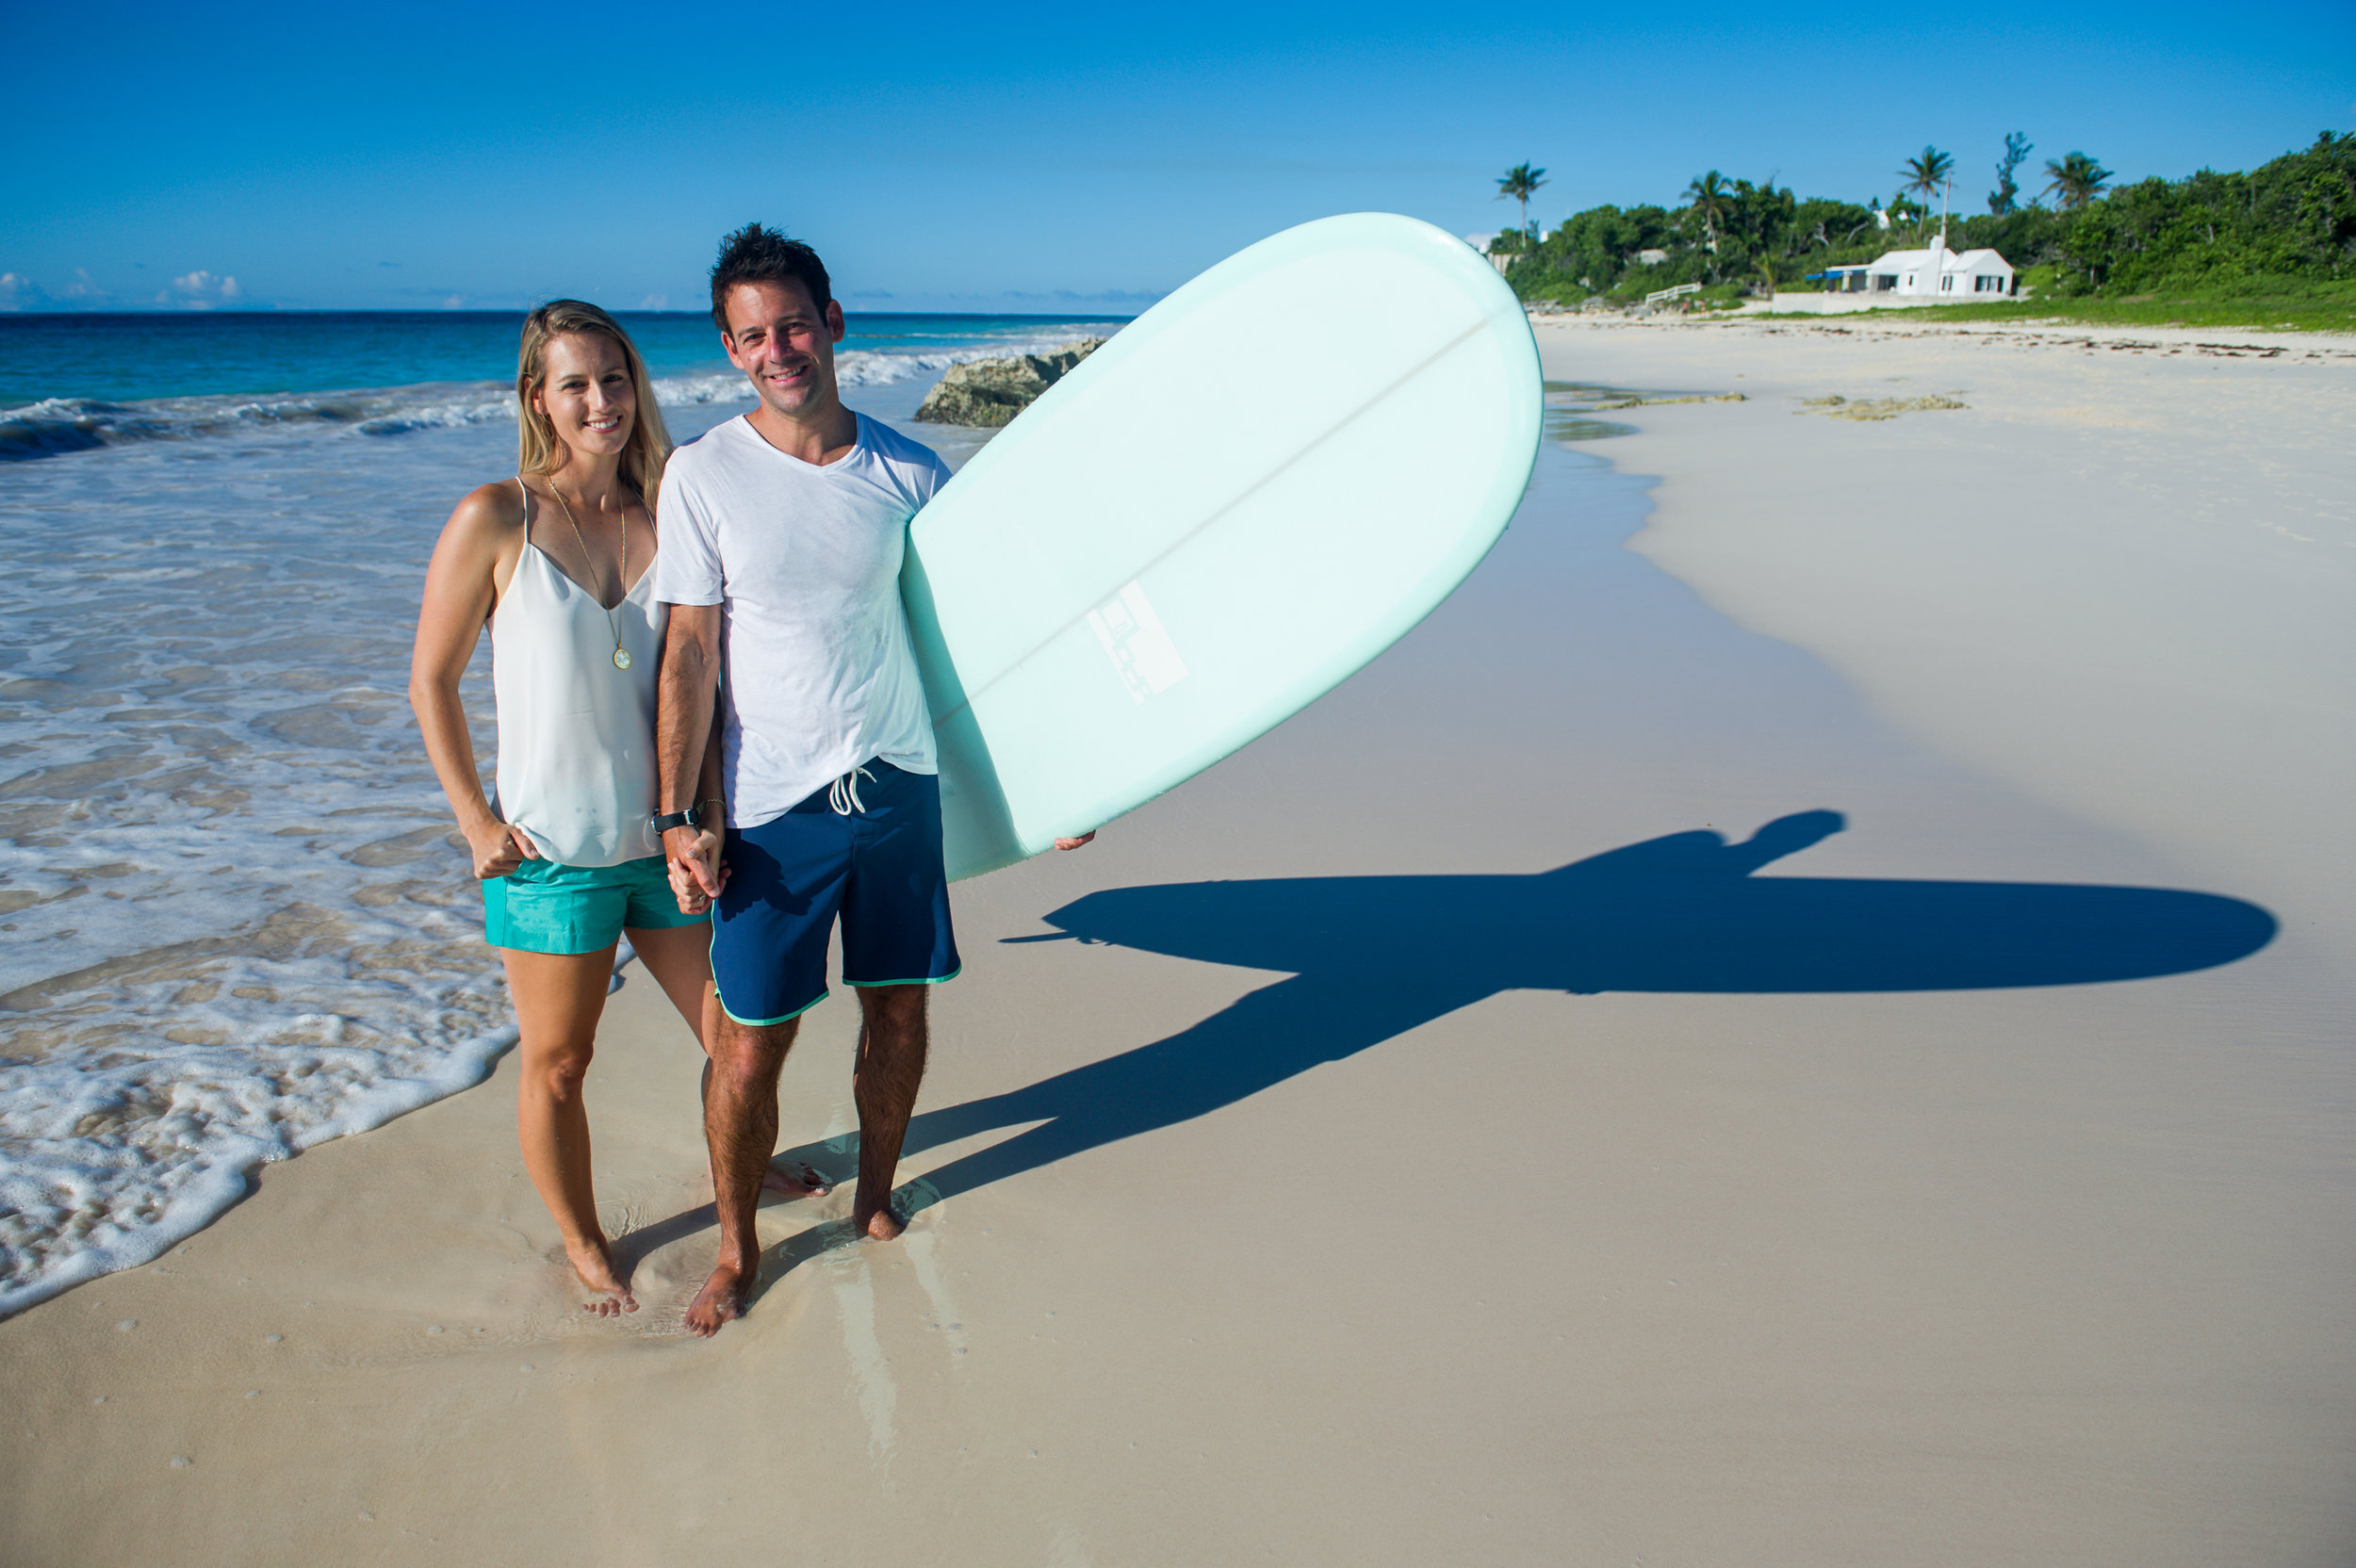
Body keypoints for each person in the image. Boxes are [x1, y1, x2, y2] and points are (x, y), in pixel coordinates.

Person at [652, 225, 1092, 1337]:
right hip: (771, 810)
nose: (777, 348)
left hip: (895, 787)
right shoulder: (703, 476)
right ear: (729, 348)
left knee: (897, 1013)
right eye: (752, 334)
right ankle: (737, 1244)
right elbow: (692, 655)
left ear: (833, 322)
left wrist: (1056, 783)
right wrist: (679, 815)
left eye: (793, 323)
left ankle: (877, 1195)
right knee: (750, 1037)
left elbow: (974, 646)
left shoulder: (909, 471)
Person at [410, 300, 824, 1317]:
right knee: (559, 1062)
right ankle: (584, 1235)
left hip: (666, 843)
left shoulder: (669, 508)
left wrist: (708, 820)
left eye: (614, 377)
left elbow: (711, 685)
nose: (600, 400)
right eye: (575, 383)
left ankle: (740, 1165)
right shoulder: (494, 516)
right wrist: (474, 817)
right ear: (537, 399)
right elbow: (430, 679)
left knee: (737, 1035)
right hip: (548, 851)